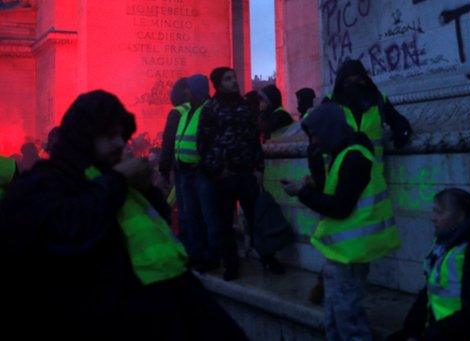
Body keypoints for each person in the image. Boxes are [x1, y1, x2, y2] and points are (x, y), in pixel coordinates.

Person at [0, 90, 245, 338]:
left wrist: (146, 188)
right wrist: (118, 179)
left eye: (121, 134)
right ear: (83, 137)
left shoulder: (117, 179)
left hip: (172, 302)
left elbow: (158, 226)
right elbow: (66, 228)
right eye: (109, 135)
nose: (120, 143)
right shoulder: (44, 181)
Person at [282, 101, 401, 340]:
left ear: (329, 129)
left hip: (351, 254)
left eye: (315, 135)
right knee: (336, 319)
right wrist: (312, 185)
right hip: (342, 252)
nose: (314, 142)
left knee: (349, 322)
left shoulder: (354, 157)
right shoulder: (342, 154)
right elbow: (338, 192)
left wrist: (302, 194)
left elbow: (340, 207)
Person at [390, 189, 470, 341]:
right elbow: (429, 293)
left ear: (461, 216)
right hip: (452, 331)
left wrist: (428, 336)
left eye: (440, 212)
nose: (433, 218)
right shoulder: (448, 243)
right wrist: (412, 331)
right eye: (434, 211)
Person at [198, 66, 284, 278]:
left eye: (234, 77)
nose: (234, 82)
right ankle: (231, 264)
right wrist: (217, 169)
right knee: (225, 222)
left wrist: (259, 168)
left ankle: (267, 257)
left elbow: (255, 140)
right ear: (219, 84)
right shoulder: (211, 109)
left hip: (246, 174)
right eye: (228, 79)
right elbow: (203, 143)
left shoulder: (245, 107)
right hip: (225, 176)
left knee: (257, 217)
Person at [161, 74, 221, 271]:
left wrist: (164, 168)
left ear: (195, 90)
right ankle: (195, 254)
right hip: (184, 171)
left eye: (188, 88)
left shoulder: (207, 110)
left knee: (206, 215)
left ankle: (210, 256)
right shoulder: (187, 112)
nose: (185, 91)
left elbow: (169, 143)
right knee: (190, 215)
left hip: (200, 172)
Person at [323, 58, 413, 162]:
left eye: (358, 80)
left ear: (365, 80)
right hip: (338, 174)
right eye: (348, 81)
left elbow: (398, 121)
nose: (354, 85)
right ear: (341, 83)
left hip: (372, 175)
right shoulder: (330, 103)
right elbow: (316, 134)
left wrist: (402, 133)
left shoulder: (378, 100)